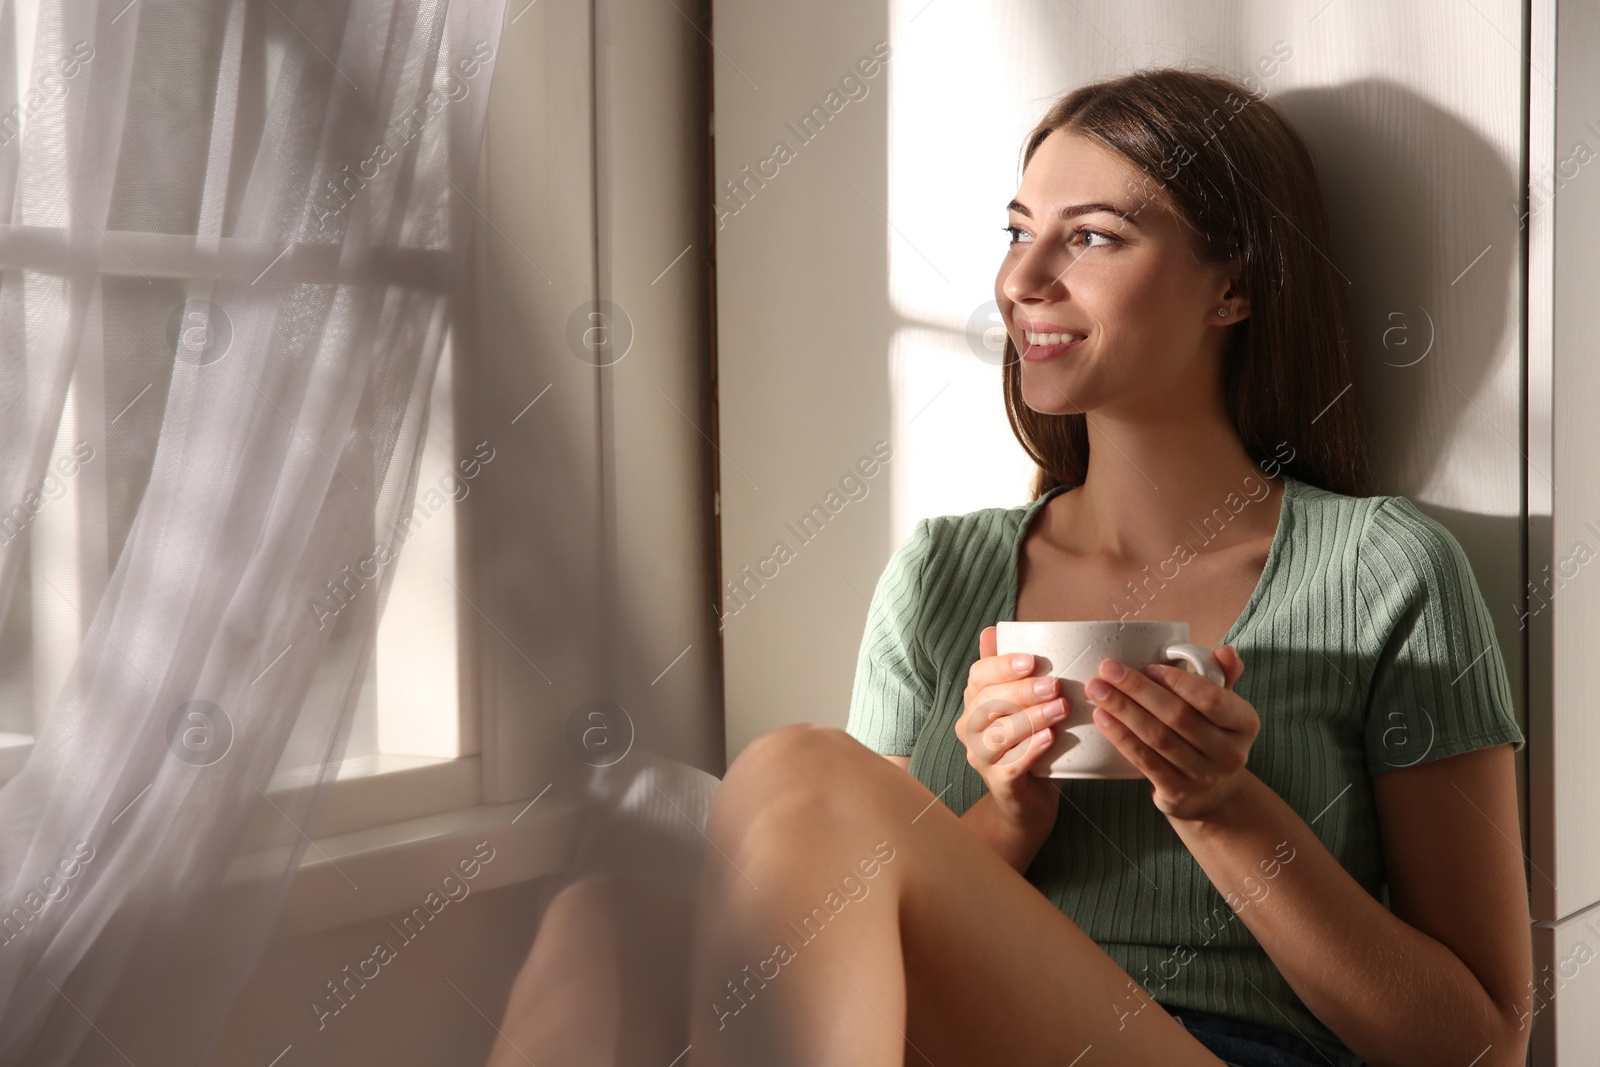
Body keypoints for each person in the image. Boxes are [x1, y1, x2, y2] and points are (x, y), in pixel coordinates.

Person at [685, 67, 1531, 1066]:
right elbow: (867, 918)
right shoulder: (939, 573)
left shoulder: (1385, 572)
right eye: (1017, 231)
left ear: (1235, 286)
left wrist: (1224, 807)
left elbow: (1479, 1045)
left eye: (1088, 236)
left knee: (800, 768)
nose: (1021, 278)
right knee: (594, 916)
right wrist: (1004, 817)